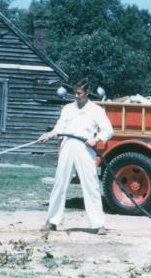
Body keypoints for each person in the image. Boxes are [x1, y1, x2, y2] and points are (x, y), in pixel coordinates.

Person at [38, 82, 113, 235]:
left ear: (87, 92)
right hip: (68, 146)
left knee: (91, 184)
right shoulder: (68, 109)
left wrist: (96, 139)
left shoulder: (96, 110)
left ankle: (98, 224)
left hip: (85, 148)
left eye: (79, 93)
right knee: (60, 183)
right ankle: (52, 221)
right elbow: (60, 127)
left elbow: (108, 130)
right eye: (75, 93)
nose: (76, 96)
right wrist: (50, 134)